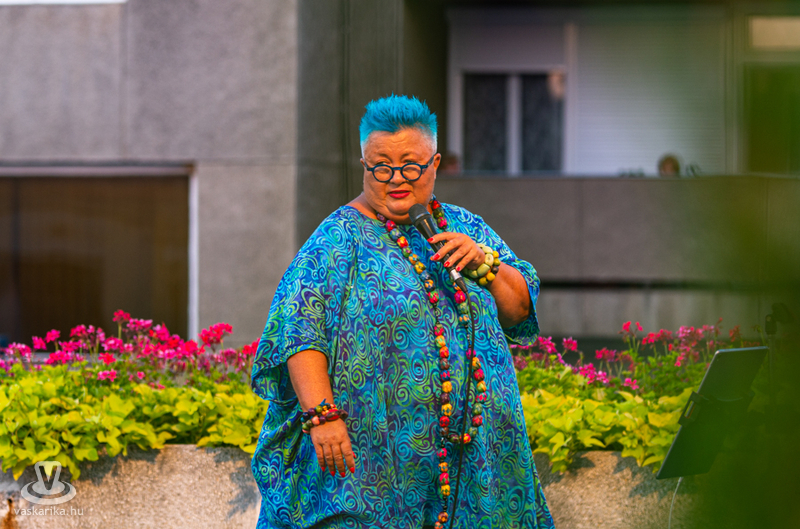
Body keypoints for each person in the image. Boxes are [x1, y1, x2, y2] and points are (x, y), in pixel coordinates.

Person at [250, 95, 554, 529]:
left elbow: (519, 308)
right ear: (364, 165)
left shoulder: (466, 227)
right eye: (381, 167)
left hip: (475, 457)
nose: (396, 179)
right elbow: (300, 332)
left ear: (435, 164)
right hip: (370, 465)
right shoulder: (337, 238)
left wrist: (484, 263)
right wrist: (322, 417)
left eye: (411, 166)